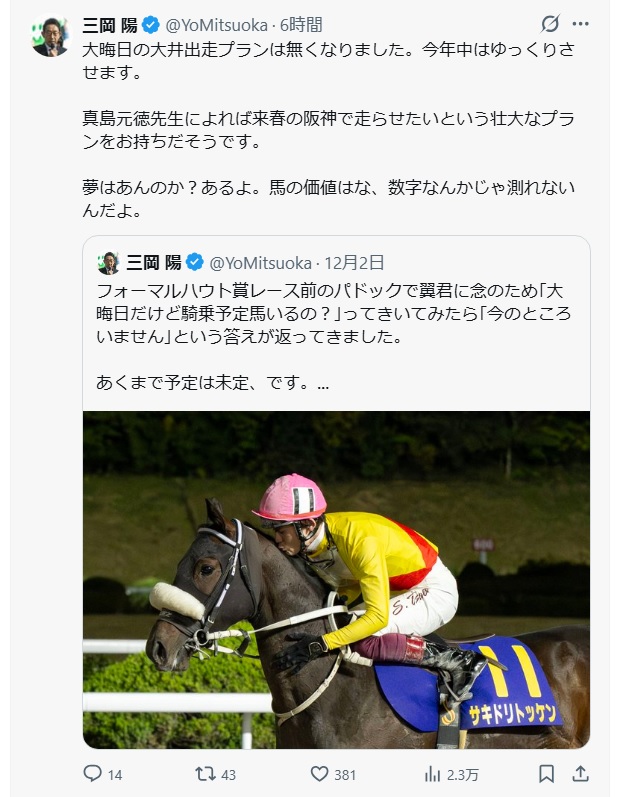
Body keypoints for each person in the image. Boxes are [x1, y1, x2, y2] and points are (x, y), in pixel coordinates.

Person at [253, 473, 489, 708]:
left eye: (281, 531)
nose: (277, 539)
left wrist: (320, 644)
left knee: (364, 639)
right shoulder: (313, 540)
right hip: (392, 590)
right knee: (339, 629)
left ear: (308, 525)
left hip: (432, 589)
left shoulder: (358, 541)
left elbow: (377, 617)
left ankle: (460, 661)